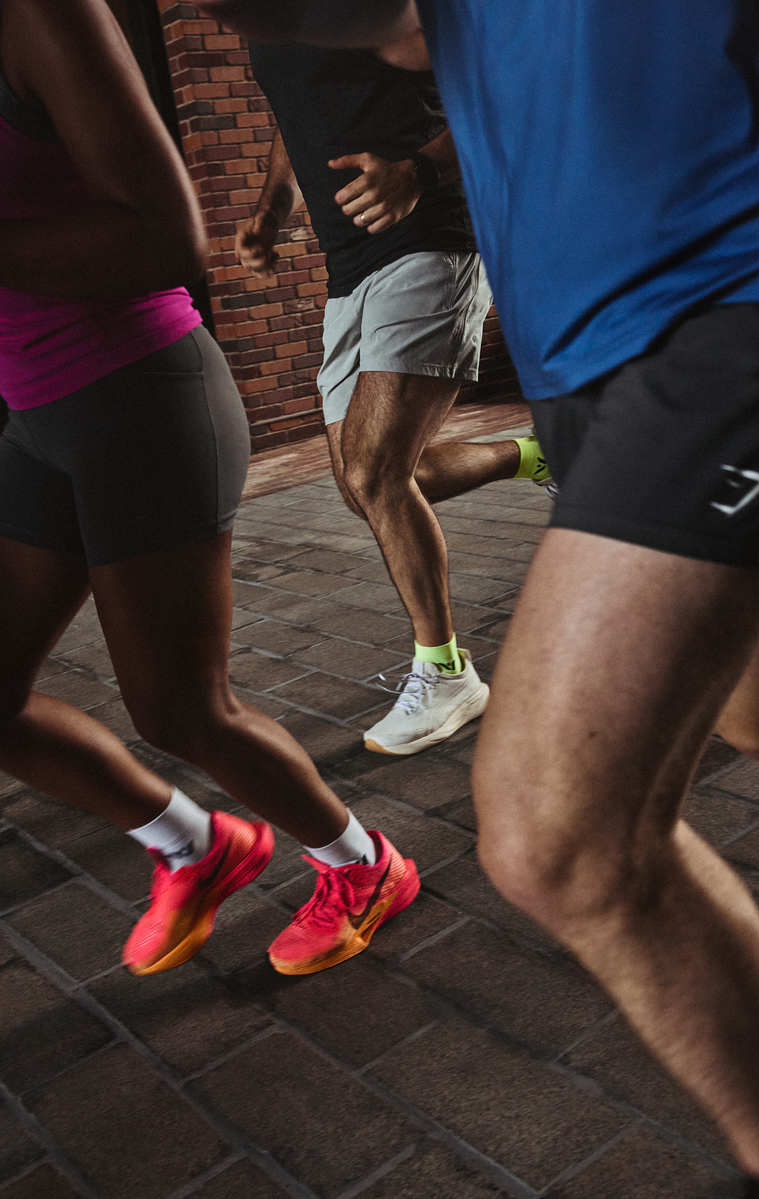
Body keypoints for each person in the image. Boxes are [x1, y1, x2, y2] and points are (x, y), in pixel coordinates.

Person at [197, 2, 759, 1195]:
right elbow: (388, 25)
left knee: (556, 830)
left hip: (730, 258)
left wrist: (418, 164)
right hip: (585, 319)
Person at [0, 0, 420, 982]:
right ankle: (196, 845)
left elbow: (163, 233)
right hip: (35, 416)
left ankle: (363, 867)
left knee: (182, 707)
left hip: (139, 393)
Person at [235, 34, 553, 757]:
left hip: (431, 234)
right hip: (348, 267)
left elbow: (502, 81)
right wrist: (271, 207)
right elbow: (295, 118)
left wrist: (420, 171)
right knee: (365, 485)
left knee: (377, 472)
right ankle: (537, 453)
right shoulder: (263, 23)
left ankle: (444, 673)